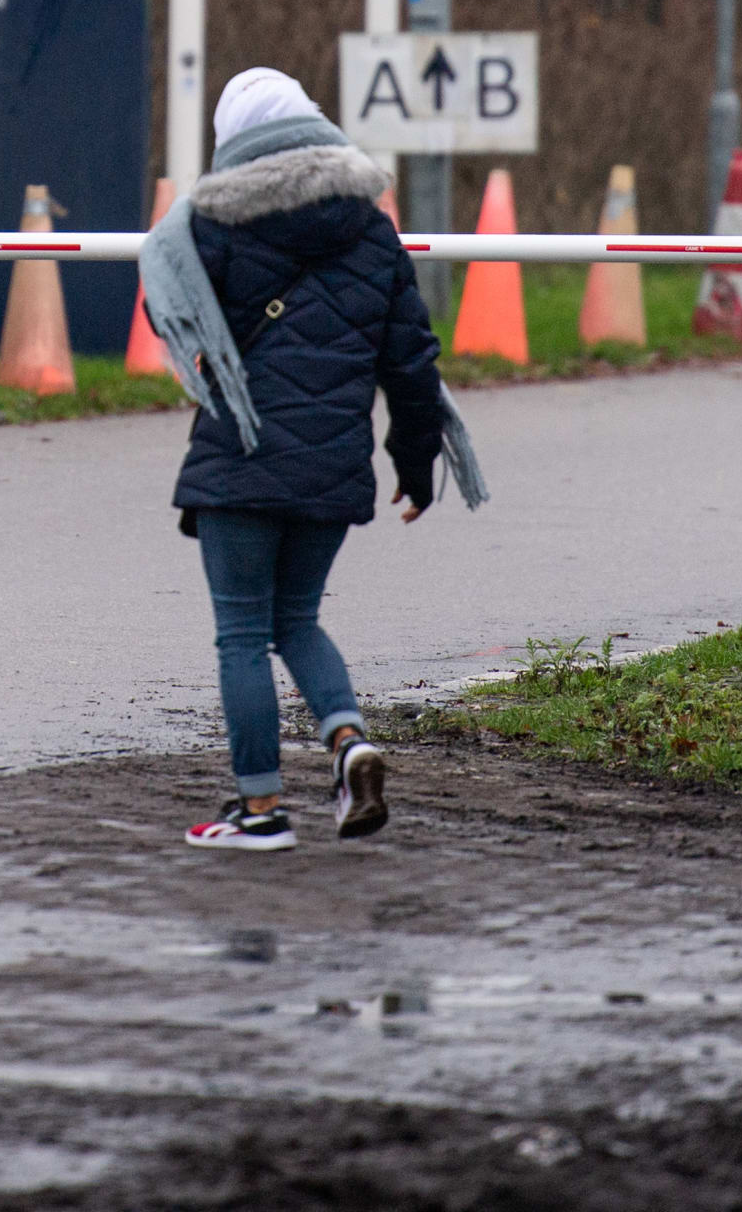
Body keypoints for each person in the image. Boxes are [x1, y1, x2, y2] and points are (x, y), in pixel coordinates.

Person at [134, 66, 484, 850]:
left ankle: (260, 813)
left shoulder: (206, 226)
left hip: (240, 460)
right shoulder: (372, 229)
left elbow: (178, 323)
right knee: (297, 620)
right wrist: (416, 460)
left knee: (241, 634)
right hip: (333, 469)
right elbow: (412, 361)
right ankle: (348, 743)